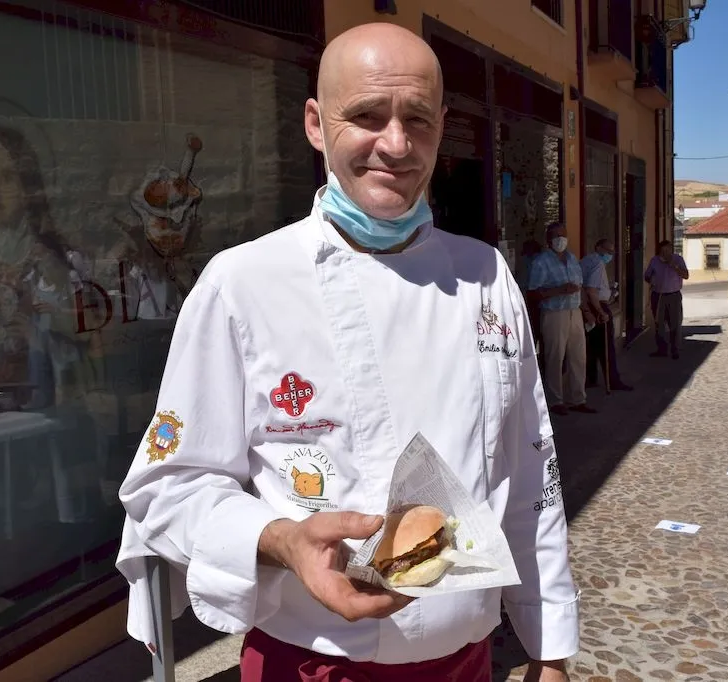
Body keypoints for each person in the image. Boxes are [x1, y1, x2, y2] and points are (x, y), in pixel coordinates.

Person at [115, 22, 578, 682]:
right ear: (314, 122)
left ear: (442, 127)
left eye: (417, 118)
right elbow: (168, 486)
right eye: (366, 115)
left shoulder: (486, 275)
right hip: (309, 666)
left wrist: (549, 646)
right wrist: (283, 541)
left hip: (469, 663)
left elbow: (530, 472)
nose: (395, 143)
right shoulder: (242, 283)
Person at [527, 223, 597, 416]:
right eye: (556, 236)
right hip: (554, 314)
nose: (560, 239)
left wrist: (587, 310)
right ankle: (555, 400)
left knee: (579, 356)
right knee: (554, 357)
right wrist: (559, 290)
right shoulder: (541, 261)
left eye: (563, 235)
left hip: (574, 311)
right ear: (548, 240)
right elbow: (532, 292)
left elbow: (580, 287)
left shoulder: (572, 258)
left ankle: (578, 399)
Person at [581, 239, 632, 392]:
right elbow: (591, 290)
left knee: (592, 346)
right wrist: (601, 312)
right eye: (608, 251)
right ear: (598, 247)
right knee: (606, 347)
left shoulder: (586, 261)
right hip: (597, 307)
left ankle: (591, 378)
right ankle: (612, 381)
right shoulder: (597, 263)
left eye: (612, 252)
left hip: (588, 306)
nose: (610, 255)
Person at [644, 239, 688, 359]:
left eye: (668, 250)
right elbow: (647, 275)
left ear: (671, 250)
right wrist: (650, 279)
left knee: (675, 323)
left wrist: (675, 267)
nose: (665, 253)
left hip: (674, 295)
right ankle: (661, 349)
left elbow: (686, 275)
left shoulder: (678, 259)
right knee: (659, 324)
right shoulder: (654, 261)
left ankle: (675, 349)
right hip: (658, 296)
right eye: (663, 251)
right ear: (659, 251)